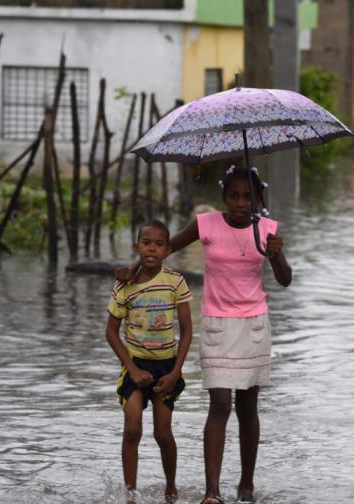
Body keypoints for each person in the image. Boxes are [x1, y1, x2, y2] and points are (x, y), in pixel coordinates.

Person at [116, 166, 292, 504]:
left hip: (253, 324)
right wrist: (133, 271)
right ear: (223, 197)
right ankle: (212, 493)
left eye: (248, 197)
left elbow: (284, 279)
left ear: (259, 200)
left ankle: (246, 485)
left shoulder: (267, 230)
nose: (241, 203)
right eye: (234, 196)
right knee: (221, 404)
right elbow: (163, 250)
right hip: (216, 324)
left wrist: (276, 252)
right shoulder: (206, 223)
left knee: (248, 406)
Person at [105, 219, 193, 504]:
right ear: (136, 247)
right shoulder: (124, 287)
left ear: (167, 250)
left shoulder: (175, 282)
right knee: (132, 428)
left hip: (166, 367)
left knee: (163, 434)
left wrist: (176, 372)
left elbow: (187, 330)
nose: (151, 249)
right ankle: (130, 494)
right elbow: (110, 332)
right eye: (146, 243)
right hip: (135, 365)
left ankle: (170, 488)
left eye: (158, 244)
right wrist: (132, 368)